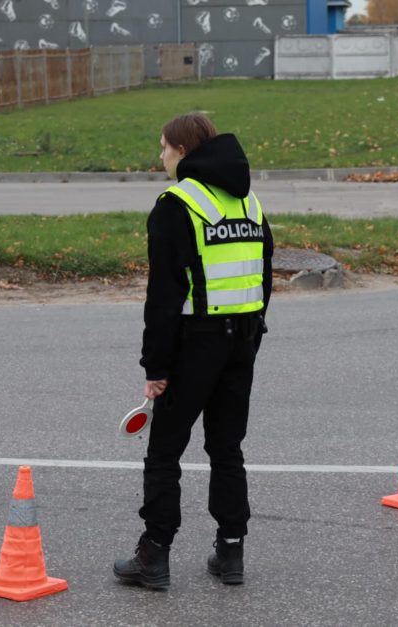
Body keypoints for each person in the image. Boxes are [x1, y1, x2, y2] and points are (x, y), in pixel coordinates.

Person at [113, 113, 273, 589]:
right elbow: (264, 277)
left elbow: (162, 297)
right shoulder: (247, 201)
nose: (159, 157)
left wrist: (156, 367)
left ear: (182, 152)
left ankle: (154, 556)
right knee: (227, 448)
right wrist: (252, 333)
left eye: (163, 148)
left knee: (165, 451)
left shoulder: (176, 203)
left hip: (194, 343)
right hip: (242, 341)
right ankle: (231, 553)